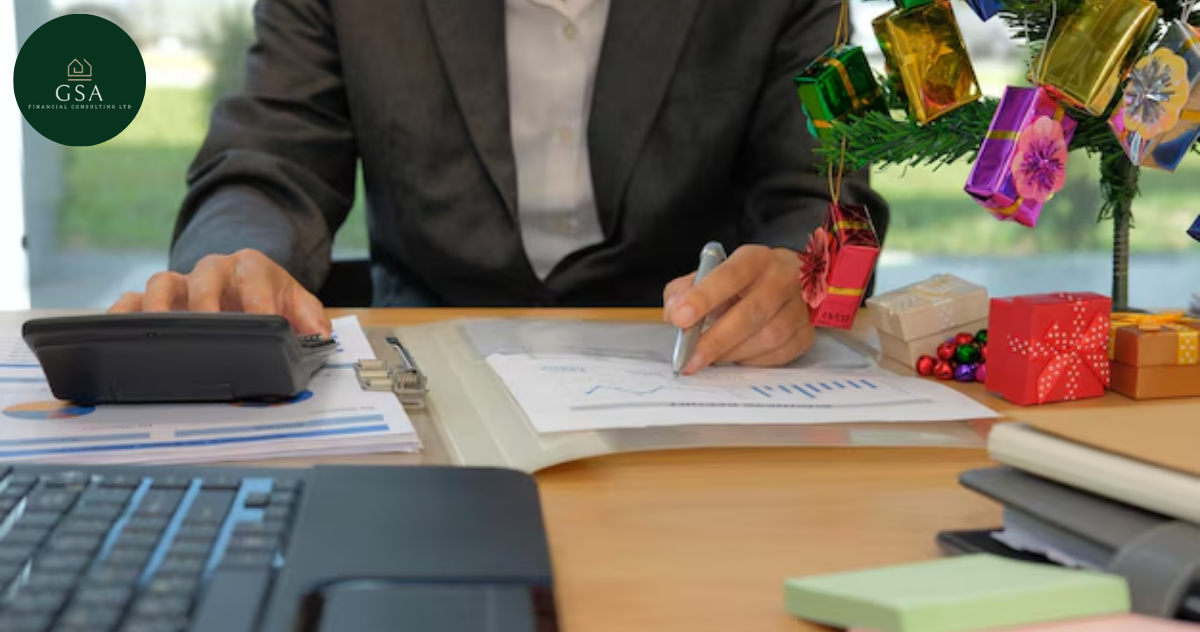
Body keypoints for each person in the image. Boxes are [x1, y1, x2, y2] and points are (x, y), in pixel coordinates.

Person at [110, 0, 888, 374]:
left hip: (697, 371)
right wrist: (237, 265)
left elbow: (823, 194)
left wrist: (802, 277)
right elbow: (269, 156)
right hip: (424, 367)